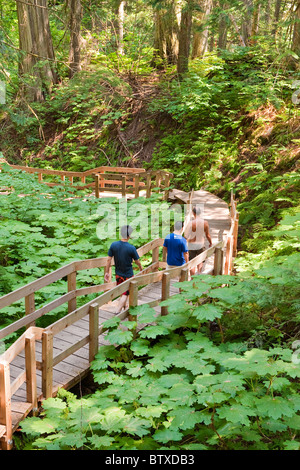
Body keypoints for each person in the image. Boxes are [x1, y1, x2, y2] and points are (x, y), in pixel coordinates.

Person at [104, 225, 142, 312]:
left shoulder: (114, 245)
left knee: (122, 291)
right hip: (128, 274)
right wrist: (140, 267)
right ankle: (117, 311)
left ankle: (125, 307)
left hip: (118, 273)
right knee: (126, 294)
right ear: (130, 235)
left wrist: (107, 272)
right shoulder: (131, 248)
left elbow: (108, 260)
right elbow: (137, 261)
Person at [184, 206, 212, 276]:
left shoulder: (191, 223)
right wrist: (210, 242)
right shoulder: (205, 223)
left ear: (193, 213)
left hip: (192, 244)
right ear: (200, 213)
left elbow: (185, 236)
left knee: (192, 262)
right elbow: (208, 235)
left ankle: (193, 278)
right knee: (200, 260)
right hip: (201, 244)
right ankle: (199, 274)